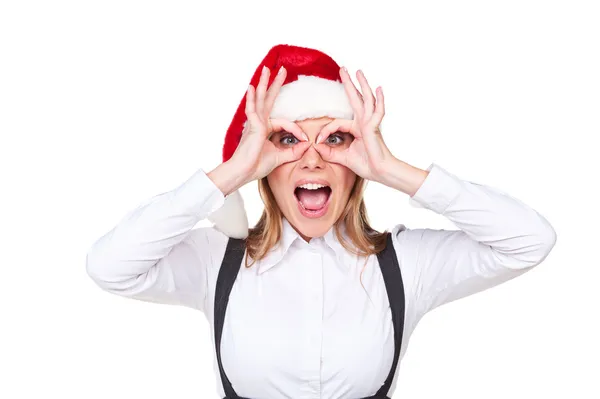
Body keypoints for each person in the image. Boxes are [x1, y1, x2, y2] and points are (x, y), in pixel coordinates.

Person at [86, 44, 557, 399]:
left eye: (334, 138)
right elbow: (110, 267)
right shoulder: (217, 263)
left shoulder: (405, 264)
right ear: (264, 169)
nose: (312, 160)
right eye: (288, 141)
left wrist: (393, 169)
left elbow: (530, 241)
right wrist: (231, 172)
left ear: (357, 167)